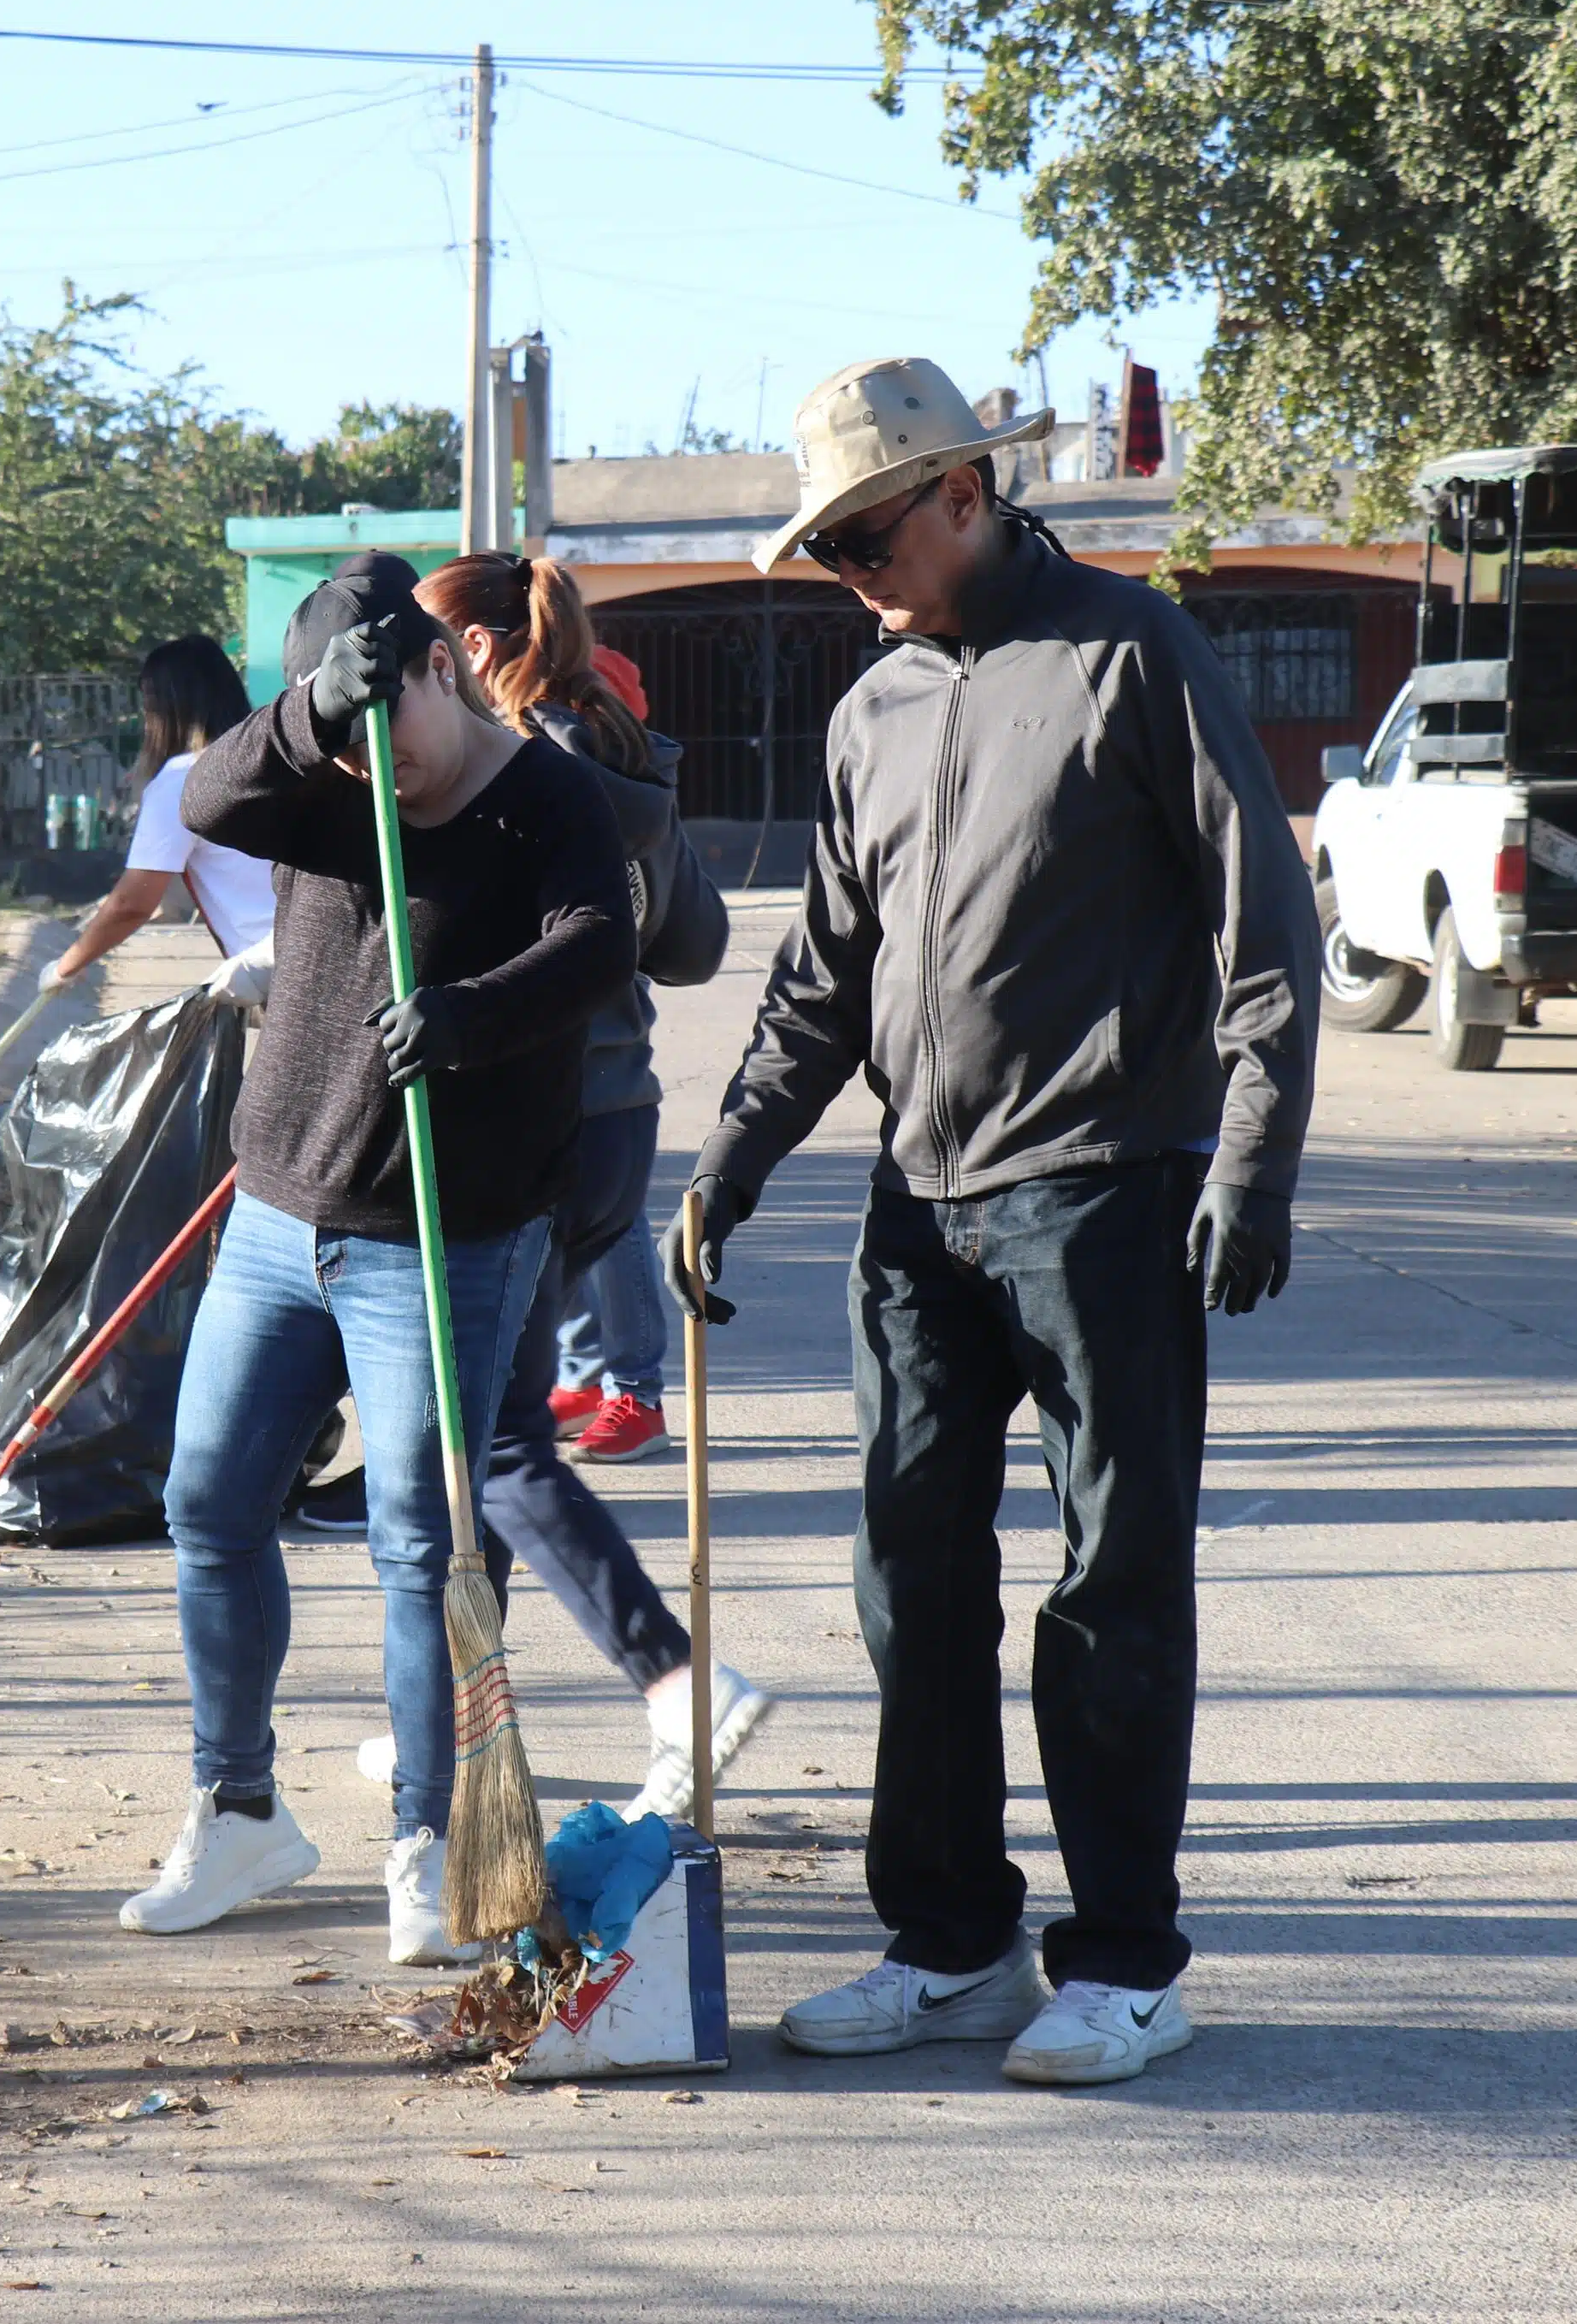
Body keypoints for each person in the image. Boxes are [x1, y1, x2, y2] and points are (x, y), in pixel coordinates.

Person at [676, 358, 1317, 2086]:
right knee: (911, 1580)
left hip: (1106, 1194)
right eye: (822, 551)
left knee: (1111, 1587)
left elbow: (1267, 927)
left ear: (962, 494)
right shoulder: (868, 713)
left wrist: (1248, 1163)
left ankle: (1122, 1961)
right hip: (921, 1208)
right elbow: (822, 974)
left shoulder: (1127, 652)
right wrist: (734, 1157)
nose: (847, 573)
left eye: (864, 533)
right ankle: (951, 1939)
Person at [120, 553, 634, 1966]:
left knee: (420, 1546)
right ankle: (240, 1812)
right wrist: (306, 722)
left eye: (383, 723)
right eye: (342, 739)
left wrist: (474, 1014)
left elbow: (602, 941)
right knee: (209, 1502)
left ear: (440, 671)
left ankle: (426, 1839)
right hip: (281, 1209)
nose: (374, 769)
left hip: (449, 1233)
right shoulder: (323, 780)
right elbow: (207, 798)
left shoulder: (545, 795)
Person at [365, 551, 768, 1820]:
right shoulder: (619, 746)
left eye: (419, 657)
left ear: (473, 655)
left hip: (526, 1123)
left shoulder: (512, 772)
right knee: (468, 1445)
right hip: (619, 1120)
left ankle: (678, 1680)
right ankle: (451, 1731)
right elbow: (695, 946)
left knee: (486, 1446)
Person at [546, 646, 684, 1464]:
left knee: (612, 1214)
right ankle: (590, 1373)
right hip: (566, 1043)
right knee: (568, 1213)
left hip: (606, 1047)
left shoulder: (607, 791)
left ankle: (636, 1390)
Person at [40, 636, 275, 1000]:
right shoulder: (272, 758)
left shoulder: (183, 779)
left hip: (282, 965)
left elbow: (132, 904)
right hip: (322, 942)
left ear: (162, 708)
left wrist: (64, 967)